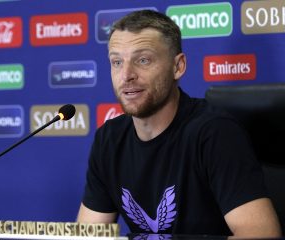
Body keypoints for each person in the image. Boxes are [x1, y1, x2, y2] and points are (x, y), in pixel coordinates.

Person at [77, 9, 282, 237]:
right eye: (116, 62)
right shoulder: (110, 139)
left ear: (178, 67)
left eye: (143, 60)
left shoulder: (215, 133)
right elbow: (88, 235)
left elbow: (261, 236)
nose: (126, 75)